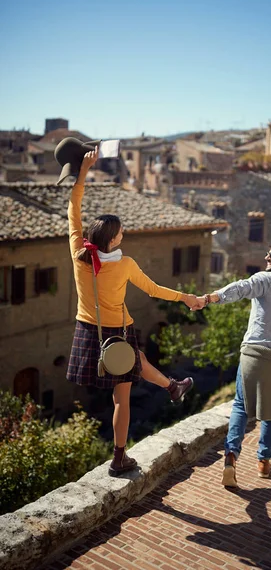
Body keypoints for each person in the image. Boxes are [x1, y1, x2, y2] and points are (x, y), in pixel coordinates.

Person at [67, 147, 196, 477]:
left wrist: (83, 170)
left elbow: (73, 208)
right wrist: (184, 297)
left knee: (139, 361)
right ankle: (119, 457)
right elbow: (153, 289)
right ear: (111, 240)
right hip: (118, 332)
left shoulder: (78, 253)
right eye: (121, 233)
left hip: (87, 332)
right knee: (122, 398)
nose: (124, 235)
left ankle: (172, 387)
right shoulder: (124, 264)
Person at [193, 240, 271, 487]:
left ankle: (231, 459)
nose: (267, 257)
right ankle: (263, 464)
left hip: (254, 353)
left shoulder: (265, 280)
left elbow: (242, 288)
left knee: (240, 406)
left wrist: (211, 297)